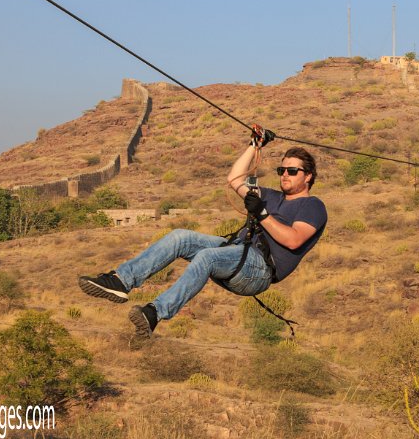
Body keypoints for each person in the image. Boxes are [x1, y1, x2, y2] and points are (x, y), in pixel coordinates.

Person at [77, 132, 327, 344]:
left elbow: (294, 240)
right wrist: (255, 145)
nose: (285, 174)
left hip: (259, 269)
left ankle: (154, 313)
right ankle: (121, 281)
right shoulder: (272, 196)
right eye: (281, 169)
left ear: (308, 176)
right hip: (237, 252)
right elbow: (235, 179)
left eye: (292, 171)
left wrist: (260, 213)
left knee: (207, 256)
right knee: (179, 237)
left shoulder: (313, 207)